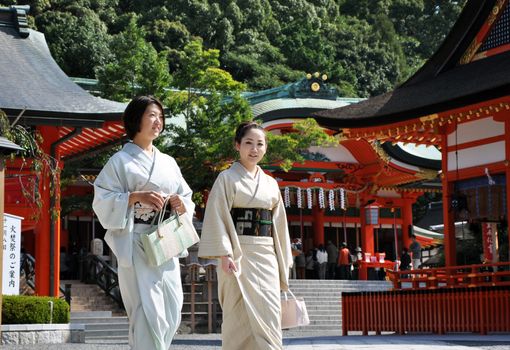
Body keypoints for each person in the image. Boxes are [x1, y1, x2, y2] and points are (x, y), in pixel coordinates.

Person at [92, 95, 194, 350]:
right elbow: (102, 198)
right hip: (136, 239)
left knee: (172, 306)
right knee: (146, 308)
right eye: (151, 115)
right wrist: (135, 196)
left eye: (160, 116)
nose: (157, 121)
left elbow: (187, 196)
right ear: (136, 119)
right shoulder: (120, 161)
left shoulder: (169, 162)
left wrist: (181, 203)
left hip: (166, 239)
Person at [197, 121, 293, 349]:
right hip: (238, 254)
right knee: (236, 312)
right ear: (237, 145)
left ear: (265, 148)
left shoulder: (270, 184)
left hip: (266, 254)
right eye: (248, 143)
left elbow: (279, 226)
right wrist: (224, 254)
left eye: (260, 144)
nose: (254, 149)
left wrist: (283, 260)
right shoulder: (227, 179)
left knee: (269, 311)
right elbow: (217, 216)